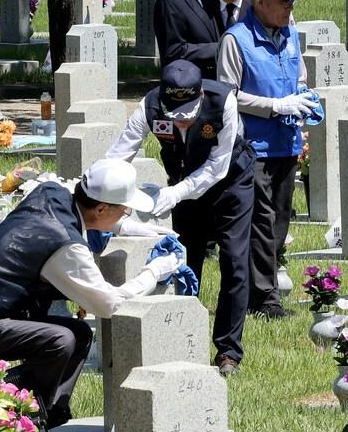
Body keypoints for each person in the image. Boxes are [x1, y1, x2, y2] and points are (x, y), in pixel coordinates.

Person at [0, 159, 184, 427]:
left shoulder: (51, 193)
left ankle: (48, 413)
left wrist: (122, 227)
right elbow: (109, 304)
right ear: (101, 208)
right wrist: (154, 272)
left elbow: (80, 196)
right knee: (60, 339)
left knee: (81, 333)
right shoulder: (65, 244)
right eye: (125, 211)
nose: (126, 215)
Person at [106, 60, 254, 376]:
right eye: (176, 114)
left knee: (235, 262)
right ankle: (182, 337)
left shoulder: (223, 101)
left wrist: (174, 194)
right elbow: (118, 156)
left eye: (188, 114)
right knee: (184, 259)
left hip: (231, 183)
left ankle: (228, 351)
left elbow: (218, 167)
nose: (183, 123)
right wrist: (102, 191)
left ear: (200, 94)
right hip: (183, 181)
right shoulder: (149, 106)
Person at [216, 0, 315, 318]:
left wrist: (302, 99)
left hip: (286, 142)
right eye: (283, 2)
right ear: (259, 1)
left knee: (280, 220)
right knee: (261, 220)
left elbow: (298, 74)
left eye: (292, 2)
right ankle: (264, 300)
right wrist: (275, 106)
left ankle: (264, 288)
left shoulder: (290, 34)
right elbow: (227, 96)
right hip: (252, 147)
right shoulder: (235, 40)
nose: (290, 9)